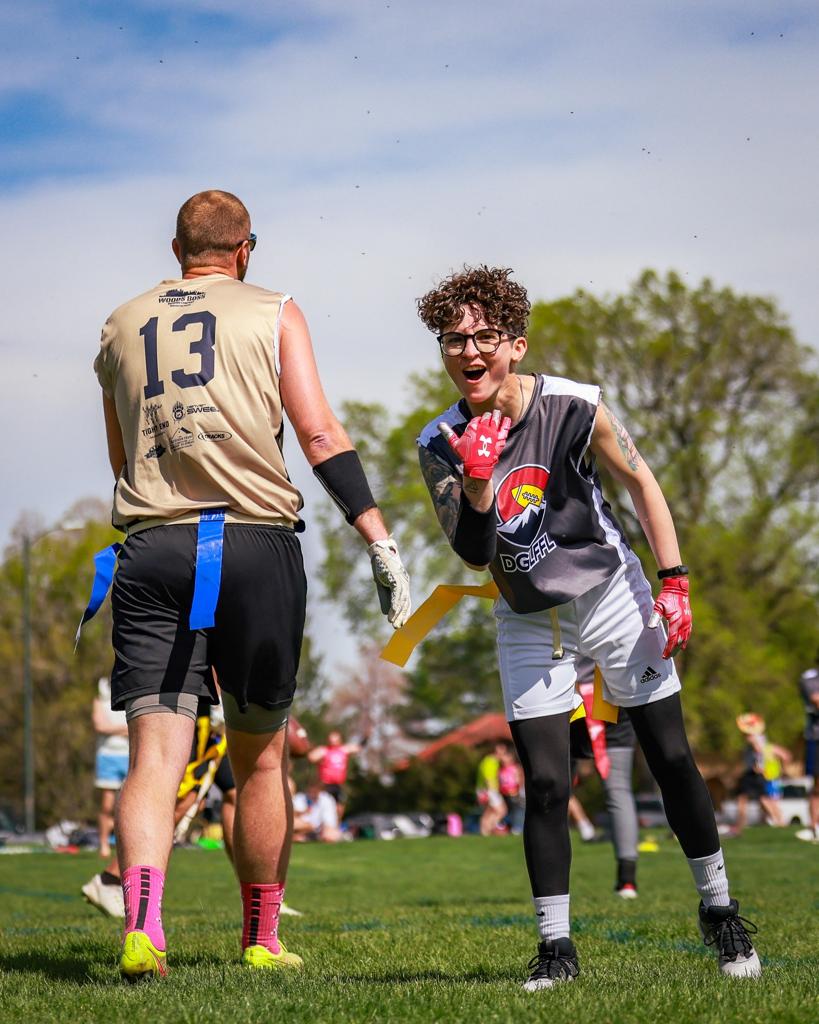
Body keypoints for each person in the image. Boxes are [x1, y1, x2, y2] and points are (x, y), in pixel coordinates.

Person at [92, 190, 410, 981]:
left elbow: (119, 459)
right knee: (261, 758)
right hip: (252, 543)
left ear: (176, 251)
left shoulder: (119, 323)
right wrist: (376, 536)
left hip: (154, 545)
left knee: (154, 757)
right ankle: (262, 939)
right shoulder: (274, 310)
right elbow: (318, 432)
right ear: (245, 249)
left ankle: (143, 927)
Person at [415, 265, 760, 990]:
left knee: (670, 755)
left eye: (484, 337)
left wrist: (674, 580)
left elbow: (640, 481)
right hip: (527, 615)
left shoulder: (573, 404)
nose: (468, 351)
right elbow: (473, 553)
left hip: (609, 594)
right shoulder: (439, 440)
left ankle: (721, 912)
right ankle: (556, 950)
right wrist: (475, 482)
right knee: (546, 782)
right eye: (452, 339)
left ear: (516, 344)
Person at [570, 667, 641, 897]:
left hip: (569, 694)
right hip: (614, 689)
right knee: (618, 789)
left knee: (556, 788)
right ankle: (627, 880)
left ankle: (551, 890)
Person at [82, 677, 130, 913]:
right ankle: (104, 844)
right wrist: (122, 729)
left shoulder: (129, 686)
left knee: (128, 802)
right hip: (108, 757)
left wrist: (119, 730)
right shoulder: (101, 695)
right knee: (108, 805)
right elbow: (100, 726)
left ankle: (121, 842)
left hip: (127, 754)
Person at [733, 713, 791, 834]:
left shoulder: (760, 742)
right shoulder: (752, 743)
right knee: (744, 798)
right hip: (752, 774)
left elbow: (783, 755)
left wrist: (781, 770)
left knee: (766, 800)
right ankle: (740, 826)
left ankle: (781, 823)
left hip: (761, 774)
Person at [307, 731, 361, 819]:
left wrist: (366, 737)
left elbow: (358, 747)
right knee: (321, 805)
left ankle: (336, 824)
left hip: (338, 785)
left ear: (340, 739)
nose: (333, 740)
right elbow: (311, 757)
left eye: (335, 738)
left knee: (339, 807)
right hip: (325, 784)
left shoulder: (343, 750)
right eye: (331, 738)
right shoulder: (324, 750)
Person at [797, 651, 819, 842]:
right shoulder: (810, 678)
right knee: (818, 783)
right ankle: (815, 826)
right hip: (817, 736)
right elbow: (816, 700)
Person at [475, 743, 508, 835]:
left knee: (489, 813)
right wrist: (490, 793)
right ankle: (490, 829)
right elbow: (488, 778)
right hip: (489, 790)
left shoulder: (491, 761)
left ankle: (485, 832)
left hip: (486, 790)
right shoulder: (491, 761)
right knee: (502, 810)